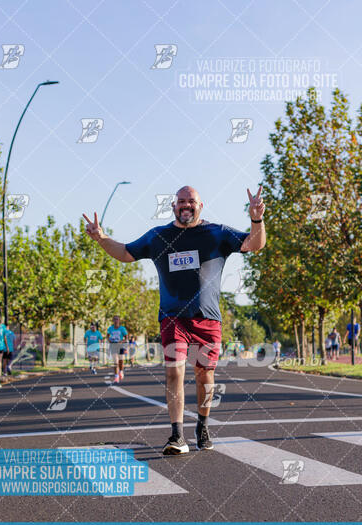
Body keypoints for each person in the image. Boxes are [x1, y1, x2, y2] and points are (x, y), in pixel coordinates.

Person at [83, 184, 265, 454]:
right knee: (174, 371)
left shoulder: (218, 233)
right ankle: (176, 435)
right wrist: (101, 238)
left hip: (208, 319)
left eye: (191, 201)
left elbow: (255, 244)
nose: (186, 205)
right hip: (172, 318)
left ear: (200, 205)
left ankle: (202, 425)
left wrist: (256, 218)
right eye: (181, 201)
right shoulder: (158, 236)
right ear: (173, 206)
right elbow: (124, 253)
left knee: (205, 375)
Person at [107, 316, 128, 383]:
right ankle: (116, 376)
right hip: (113, 346)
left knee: (121, 361)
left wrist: (122, 341)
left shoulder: (122, 328)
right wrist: (109, 340)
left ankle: (121, 371)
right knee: (115, 362)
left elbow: (126, 337)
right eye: (115, 319)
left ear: (119, 320)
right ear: (113, 320)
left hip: (121, 346)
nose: (116, 321)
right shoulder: (110, 328)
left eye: (117, 319)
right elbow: (107, 336)